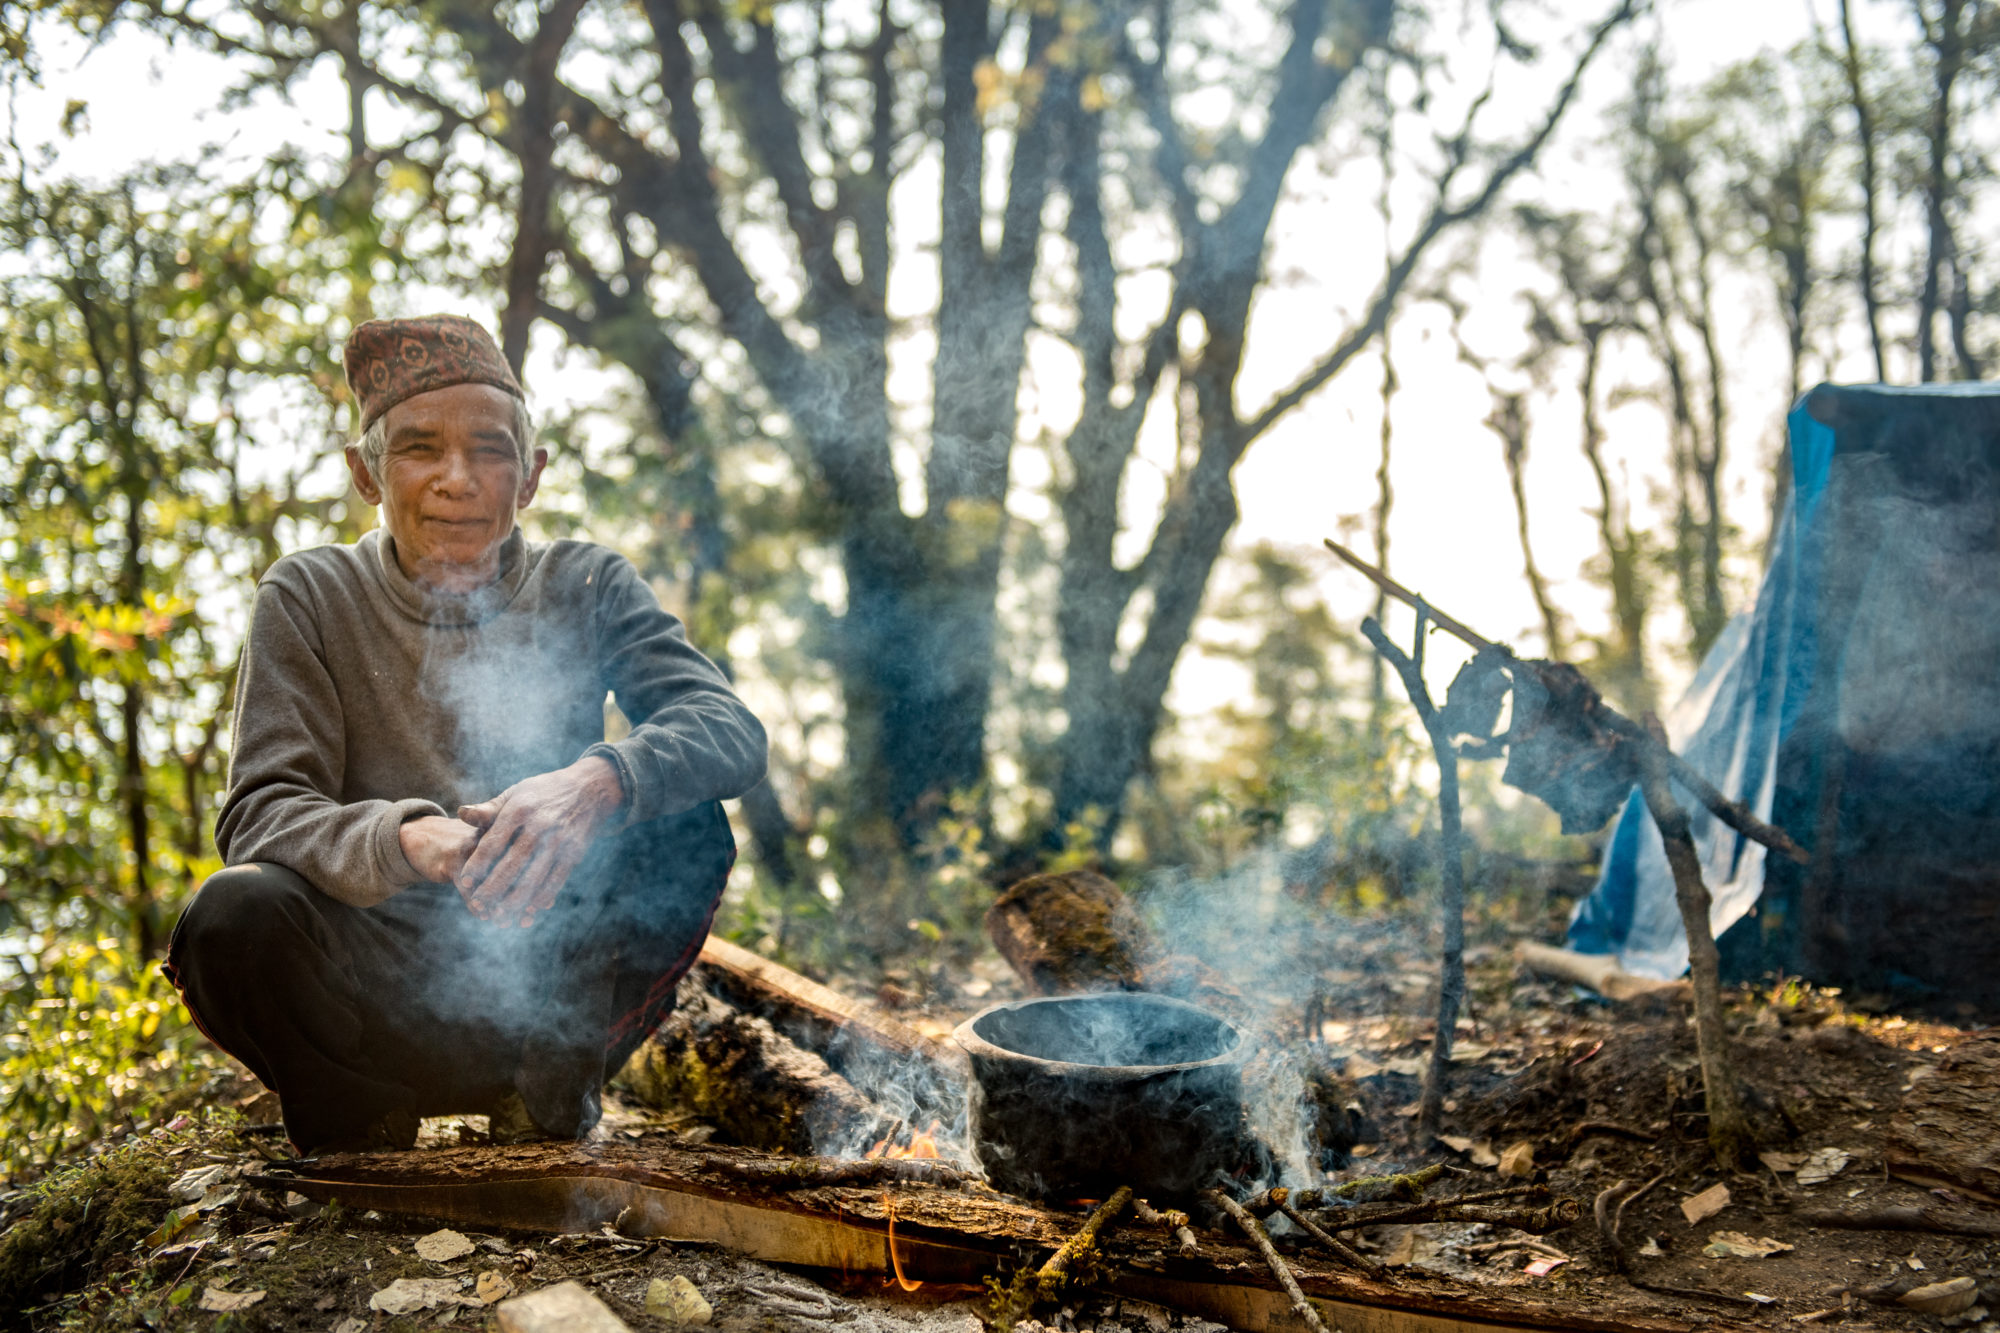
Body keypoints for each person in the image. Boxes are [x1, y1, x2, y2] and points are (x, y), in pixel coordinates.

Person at [166, 315, 767, 1154]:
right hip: (371, 984)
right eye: (419, 448)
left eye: (490, 450)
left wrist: (591, 783)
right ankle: (361, 1120)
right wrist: (411, 838)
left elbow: (728, 728)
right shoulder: (310, 593)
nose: (459, 479)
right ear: (365, 473)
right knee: (231, 910)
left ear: (530, 477)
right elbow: (259, 812)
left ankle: (551, 1092)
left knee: (683, 820)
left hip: (547, 983)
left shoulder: (585, 581)